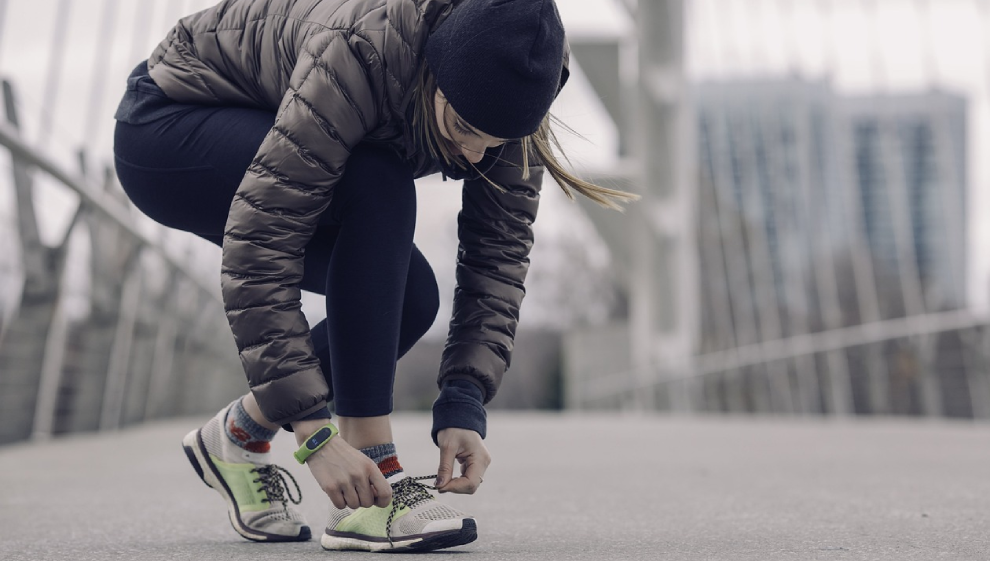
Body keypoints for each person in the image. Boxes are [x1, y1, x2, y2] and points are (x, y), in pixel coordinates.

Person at [112, 0, 634, 553]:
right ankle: (373, 480)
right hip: (169, 123)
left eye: (497, 140)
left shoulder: (518, 87)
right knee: (379, 179)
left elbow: (498, 255)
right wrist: (315, 432)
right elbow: (262, 246)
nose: (477, 152)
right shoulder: (362, 50)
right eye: (463, 126)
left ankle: (239, 433)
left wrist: (464, 401)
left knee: (408, 295)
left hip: (273, 134)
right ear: (436, 73)